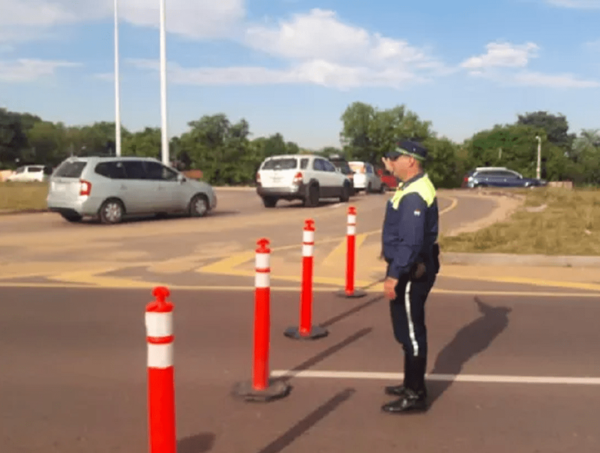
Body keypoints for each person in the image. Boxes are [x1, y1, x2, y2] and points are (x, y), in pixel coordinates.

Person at [379, 140, 440, 414]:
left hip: (411, 271)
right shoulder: (410, 187)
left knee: (412, 333)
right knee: (406, 331)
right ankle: (410, 383)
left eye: (397, 158)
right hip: (410, 267)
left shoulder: (415, 193)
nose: (392, 162)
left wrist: (394, 275)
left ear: (411, 161)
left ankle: (415, 394)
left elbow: (412, 242)